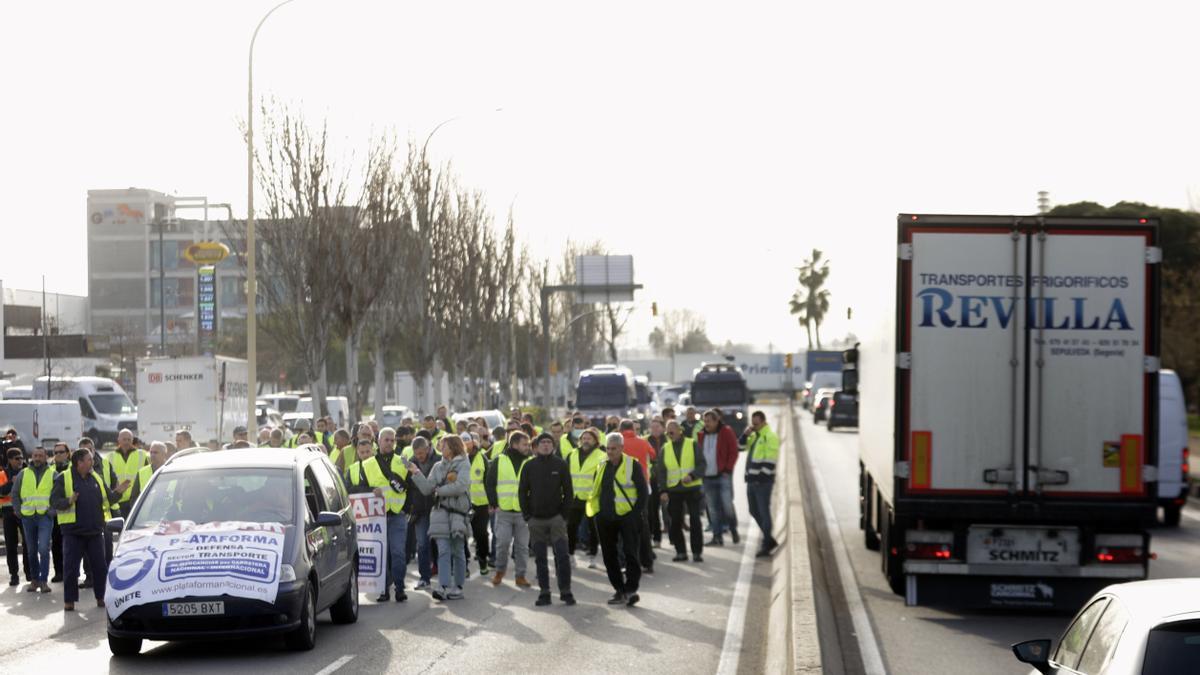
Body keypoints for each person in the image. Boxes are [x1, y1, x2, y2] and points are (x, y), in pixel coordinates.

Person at [587, 432, 648, 607]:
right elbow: (596, 490)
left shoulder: (632, 465)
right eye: (608, 448)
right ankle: (619, 590)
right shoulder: (601, 466)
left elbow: (643, 493)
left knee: (630, 554)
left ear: (621, 448)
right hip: (605, 517)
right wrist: (597, 514)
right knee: (609, 556)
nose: (610, 452)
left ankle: (631, 590)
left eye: (614, 448)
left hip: (627, 517)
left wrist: (635, 514)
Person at [409, 435, 470, 601]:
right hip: (440, 513)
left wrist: (440, 490)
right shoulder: (438, 466)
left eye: (443, 446)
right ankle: (443, 586)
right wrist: (416, 473)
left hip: (458, 513)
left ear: (452, 447)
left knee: (457, 550)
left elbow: (461, 486)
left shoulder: (464, 463)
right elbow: (428, 489)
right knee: (443, 550)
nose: (440, 448)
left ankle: (457, 586)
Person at [50, 449, 111, 611]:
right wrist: (69, 501)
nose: (93, 462)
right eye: (89, 460)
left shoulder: (96, 477)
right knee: (71, 568)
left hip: (95, 531)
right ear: (79, 463)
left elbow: (108, 498)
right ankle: (69, 601)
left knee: (100, 567)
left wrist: (119, 491)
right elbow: (54, 501)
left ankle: (101, 597)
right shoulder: (63, 478)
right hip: (73, 532)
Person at [519, 433, 575, 607]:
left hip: (556, 519)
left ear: (553, 446)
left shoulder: (561, 464)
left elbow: (568, 492)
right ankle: (545, 592)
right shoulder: (529, 466)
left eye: (548, 442)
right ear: (536, 446)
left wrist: (563, 516)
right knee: (540, 558)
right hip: (536, 520)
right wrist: (528, 516)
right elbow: (522, 492)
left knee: (562, 556)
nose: (545, 445)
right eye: (542, 442)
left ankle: (565, 591)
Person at [362, 427, 410, 602]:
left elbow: (411, 486)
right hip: (377, 517)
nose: (389, 443)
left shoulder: (403, 461)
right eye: (386, 440)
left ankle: (399, 588)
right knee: (382, 554)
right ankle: (383, 590)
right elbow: (357, 489)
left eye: (392, 440)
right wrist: (369, 490)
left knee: (397, 553)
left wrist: (408, 509)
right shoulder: (367, 464)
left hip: (397, 515)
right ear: (378, 441)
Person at [486, 431, 532, 588]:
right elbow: (490, 482)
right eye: (524, 444)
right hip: (504, 510)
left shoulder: (531, 461)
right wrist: (494, 502)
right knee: (502, 543)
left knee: (522, 547)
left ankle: (521, 576)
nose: (528, 447)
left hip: (523, 513)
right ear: (514, 444)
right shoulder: (499, 460)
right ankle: (500, 571)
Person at [655, 421, 706, 562]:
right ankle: (681, 552)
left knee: (695, 520)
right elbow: (662, 472)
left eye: (672, 431)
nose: (669, 434)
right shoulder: (665, 448)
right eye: (667, 432)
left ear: (679, 431)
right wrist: (663, 491)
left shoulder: (692, 444)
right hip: (674, 490)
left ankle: (697, 552)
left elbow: (702, 464)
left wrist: (692, 476)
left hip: (692, 488)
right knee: (675, 521)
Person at [12, 446, 54, 592]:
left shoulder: (53, 473)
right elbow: (15, 493)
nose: (37, 458)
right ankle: (34, 580)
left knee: (43, 549)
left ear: (46, 457)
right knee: (31, 550)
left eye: (40, 456)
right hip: (27, 517)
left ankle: (43, 581)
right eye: (35, 455)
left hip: (45, 517)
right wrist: (18, 511)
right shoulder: (23, 473)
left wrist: (52, 511)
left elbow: (58, 494)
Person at [618, 419, 657, 573]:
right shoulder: (643, 442)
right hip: (643, 486)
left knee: (624, 528)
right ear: (633, 428)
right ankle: (647, 561)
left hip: (623, 489)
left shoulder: (618, 444)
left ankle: (629, 563)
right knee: (643, 526)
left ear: (621, 429)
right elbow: (653, 455)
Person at [698, 409, 740, 546]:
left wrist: (728, 469)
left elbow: (734, 451)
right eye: (705, 421)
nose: (706, 424)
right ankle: (717, 537)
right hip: (708, 478)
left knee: (727, 506)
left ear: (716, 421)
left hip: (723, 476)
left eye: (709, 421)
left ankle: (733, 529)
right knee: (712, 509)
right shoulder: (701, 435)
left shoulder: (726, 432)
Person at [566, 428, 605, 569]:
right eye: (584, 438)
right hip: (574, 498)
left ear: (595, 441)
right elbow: (565, 476)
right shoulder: (572, 455)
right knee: (571, 527)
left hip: (592, 498)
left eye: (589, 438)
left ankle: (592, 556)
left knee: (593, 529)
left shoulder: (602, 456)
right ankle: (570, 555)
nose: (586, 441)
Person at [744, 411, 781, 557]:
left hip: (762, 482)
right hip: (751, 481)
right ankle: (769, 539)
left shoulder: (769, 436)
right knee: (753, 510)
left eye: (756, 424)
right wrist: (745, 435)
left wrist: (761, 477)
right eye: (752, 423)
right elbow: (740, 447)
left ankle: (766, 544)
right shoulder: (754, 436)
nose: (754, 426)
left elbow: (771, 461)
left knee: (764, 512)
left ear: (764, 422)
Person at [404, 436, 437, 591]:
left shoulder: (438, 460)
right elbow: (408, 488)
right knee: (422, 544)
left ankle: (445, 574)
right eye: (417, 454)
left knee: (440, 542)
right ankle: (425, 578)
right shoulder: (411, 463)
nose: (419, 457)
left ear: (428, 448)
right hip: (419, 511)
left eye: (422, 453)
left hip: (437, 508)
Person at [0, 448, 30, 586]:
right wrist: (12, 483)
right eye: (17, 458)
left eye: (21, 458)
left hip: (25, 512)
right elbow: (1, 492)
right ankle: (14, 575)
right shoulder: (2, 474)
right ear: (10, 460)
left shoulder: (28, 472)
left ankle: (29, 573)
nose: (20, 461)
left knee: (28, 544)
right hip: (8, 513)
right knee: (11, 545)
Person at [465, 432, 491, 576]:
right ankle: (465, 564)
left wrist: (492, 502)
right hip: (461, 503)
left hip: (481, 504)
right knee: (461, 534)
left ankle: (483, 560)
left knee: (480, 533)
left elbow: (489, 481)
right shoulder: (457, 458)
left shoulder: (483, 459)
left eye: (470, 442)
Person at [105, 429, 147, 519]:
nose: (126, 442)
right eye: (124, 439)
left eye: (129, 439)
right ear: (119, 440)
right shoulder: (110, 456)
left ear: (132, 440)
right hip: (118, 500)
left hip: (136, 499)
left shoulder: (142, 455)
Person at [643, 418, 668, 548]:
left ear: (663, 428)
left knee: (668, 510)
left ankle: (674, 535)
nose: (655, 430)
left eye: (657, 427)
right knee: (653, 510)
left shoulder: (668, 439)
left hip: (668, 479)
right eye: (652, 427)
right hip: (652, 479)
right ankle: (656, 538)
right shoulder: (645, 440)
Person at [49, 442, 71, 582]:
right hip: (55, 513)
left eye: (61, 452)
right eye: (56, 452)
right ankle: (59, 572)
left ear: (67, 453)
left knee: (70, 546)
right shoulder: (49, 470)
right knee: (56, 544)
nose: (58, 455)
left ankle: (71, 572)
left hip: (70, 511)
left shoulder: (72, 468)